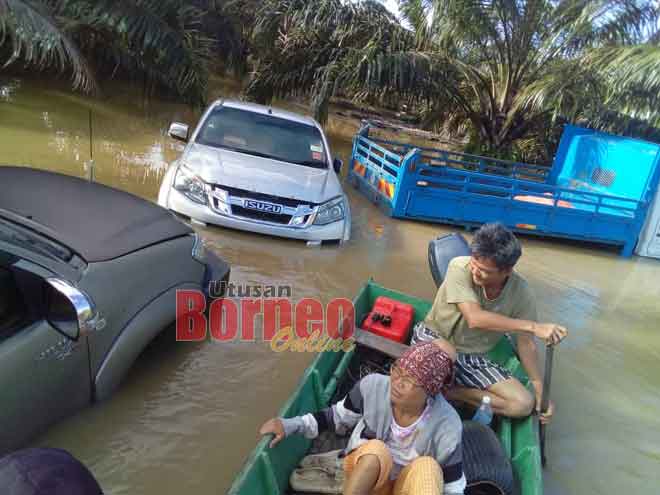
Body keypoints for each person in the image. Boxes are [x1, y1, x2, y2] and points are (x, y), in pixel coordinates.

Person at [259, 342, 466, 495]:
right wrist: (290, 425)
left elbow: (452, 487)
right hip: (364, 478)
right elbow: (335, 417)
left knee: (428, 468)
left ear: (429, 390)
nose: (397, 382)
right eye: (397, 370)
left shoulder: (447, 424)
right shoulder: (372, 386)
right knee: (376, 449)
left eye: (410, 380)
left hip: (405, 487)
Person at [412, 223, 568, 424]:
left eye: (485, 271)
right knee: (419, 383)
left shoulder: (522, 292)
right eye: (474, 263)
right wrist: (534, 326)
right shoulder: (460, 266)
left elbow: (526, 344)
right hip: (434, 338)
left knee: (523, 404)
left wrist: (540, 391)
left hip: (472, 357)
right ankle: (445, 388)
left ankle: (455, 393)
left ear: (507, 271)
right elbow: (474, 318)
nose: (475, 271)